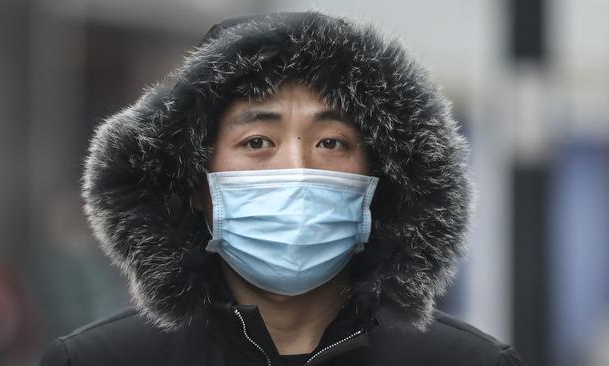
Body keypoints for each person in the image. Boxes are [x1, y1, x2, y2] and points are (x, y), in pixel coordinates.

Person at [38, 11, 522, 366]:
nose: (297, 169)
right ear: (194, 184)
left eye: (331, 141)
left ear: (382, 183)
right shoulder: (98, 361)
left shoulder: (467, 362)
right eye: (257, 141)